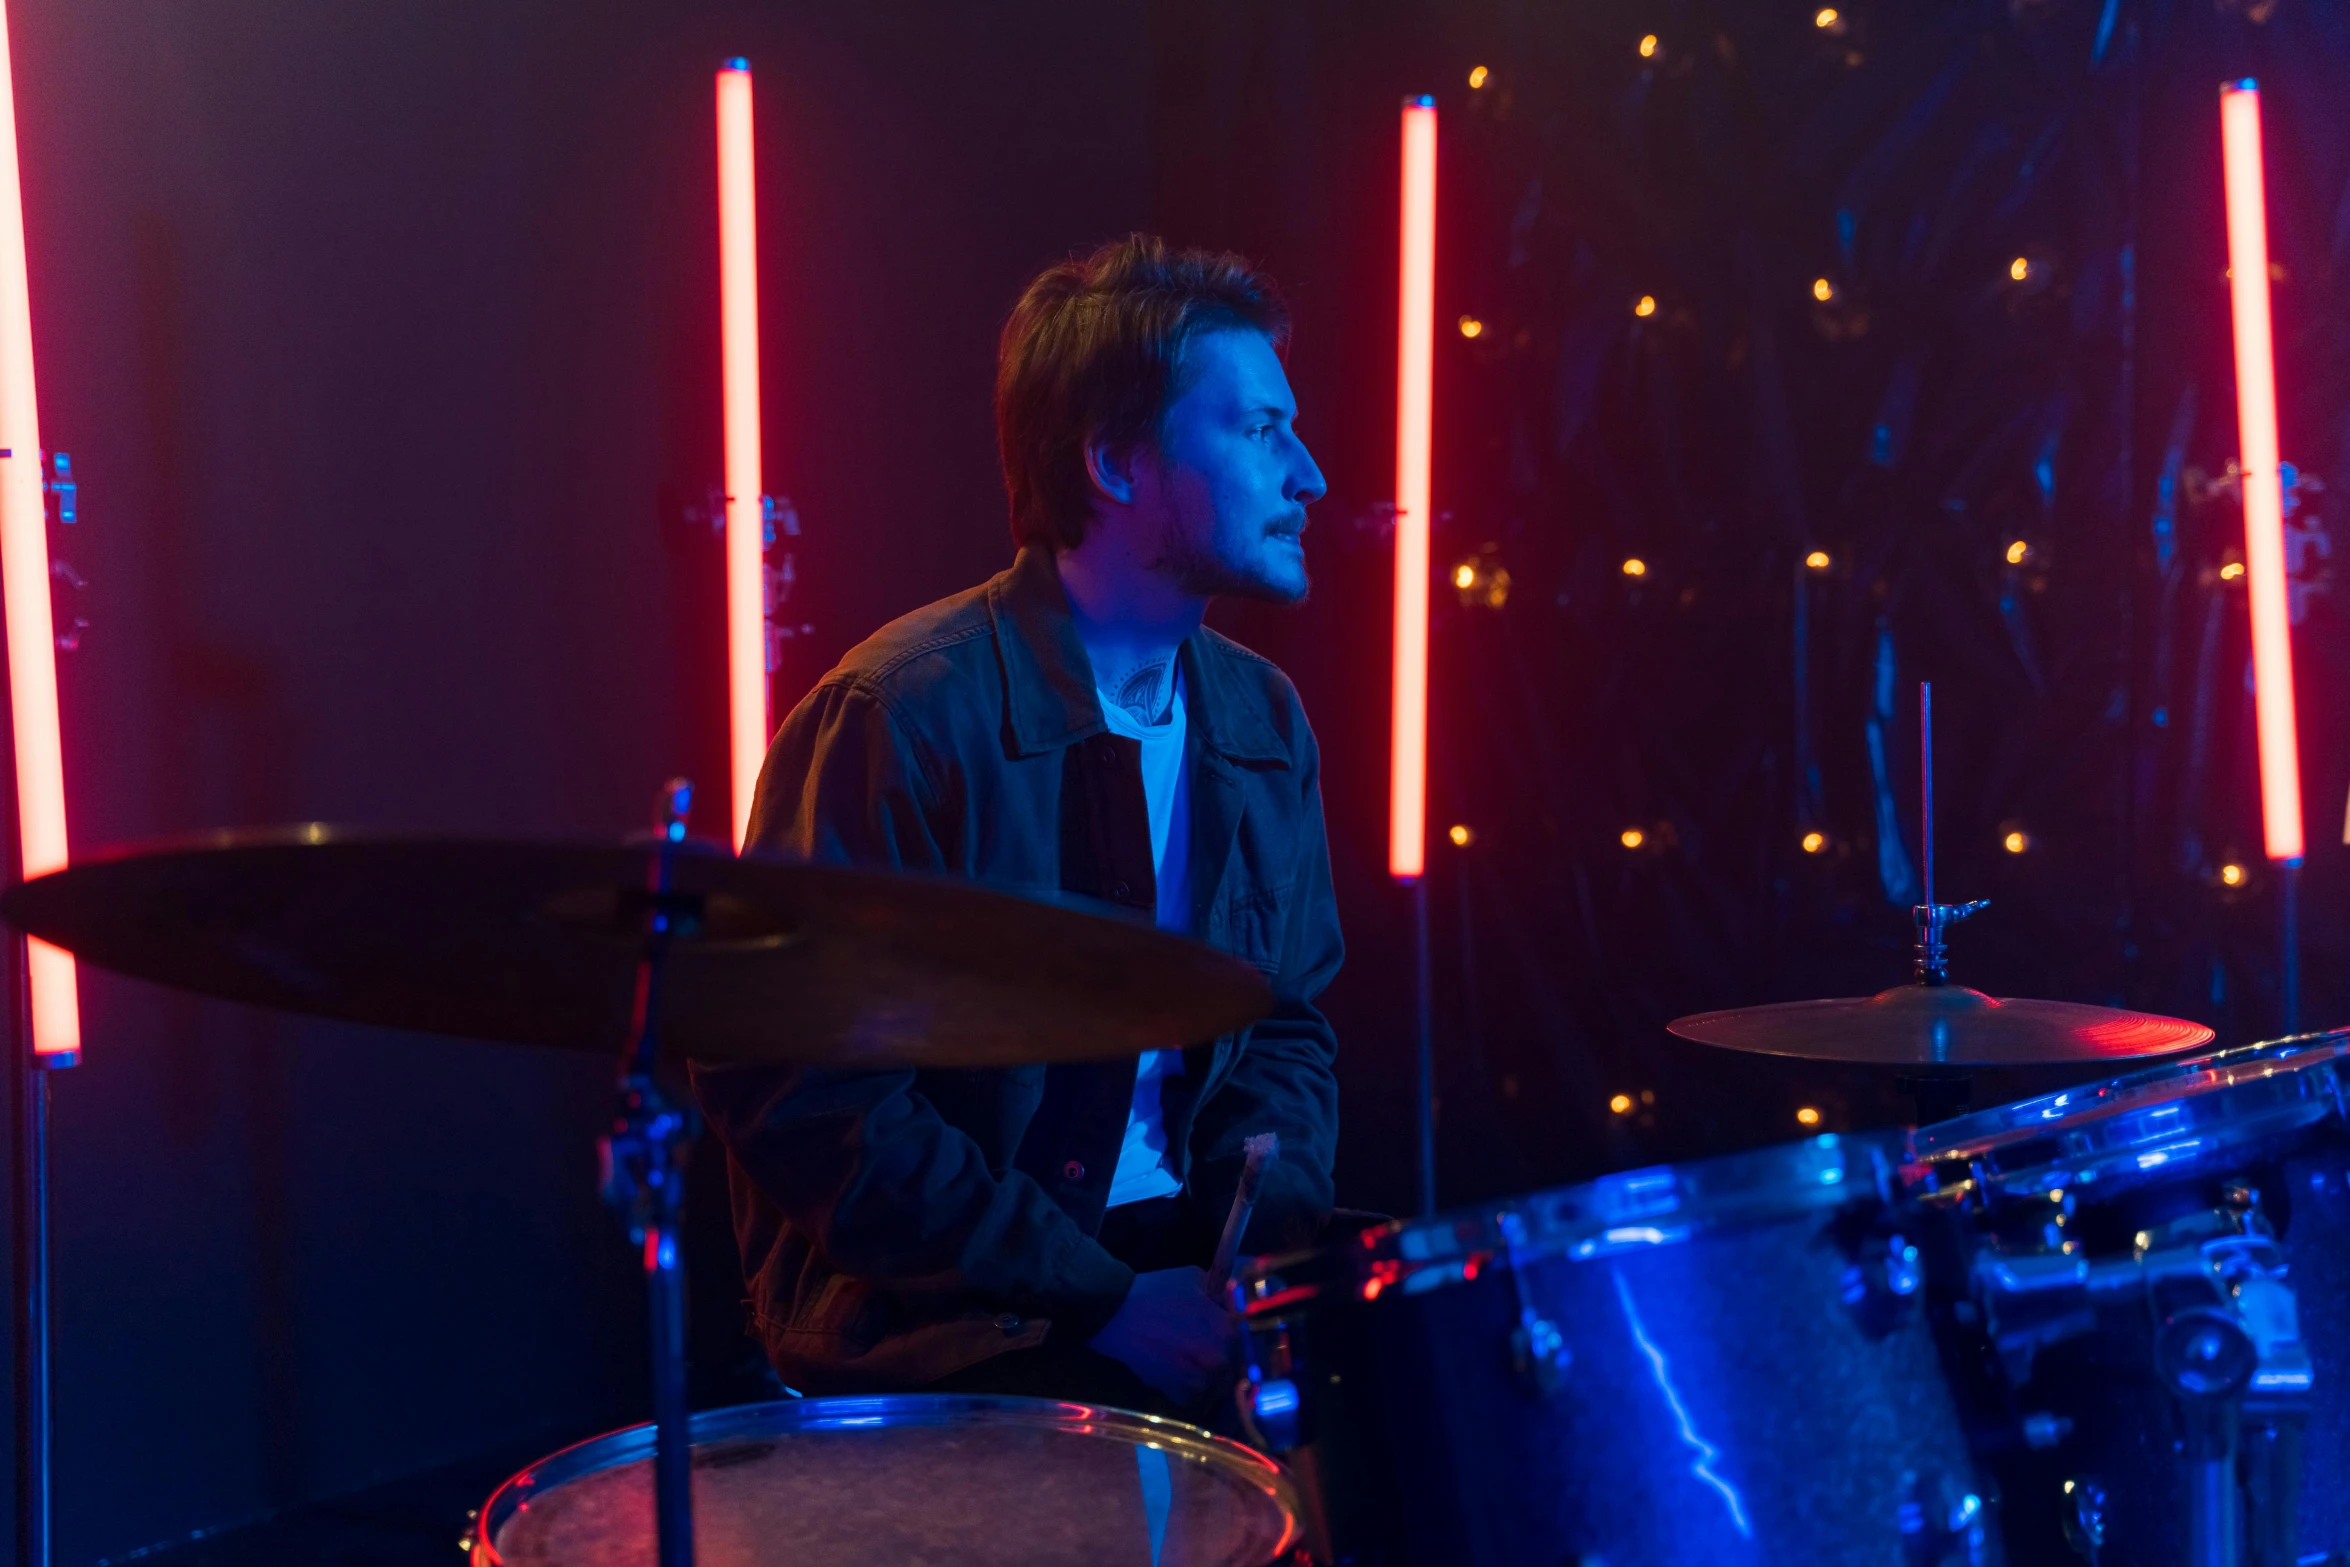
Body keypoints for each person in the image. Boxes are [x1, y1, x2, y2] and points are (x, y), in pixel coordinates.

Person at [691, 234, 1341, 1419]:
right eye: (1257, 430)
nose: (1310, 475)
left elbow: (1286, 1022)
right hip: (951, 1311)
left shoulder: (1260, 714)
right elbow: (802, 1091)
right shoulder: (904, 712)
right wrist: (1101, 1300)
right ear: (1113, 461)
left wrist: (1254, 1257)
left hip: (1186, 1263)